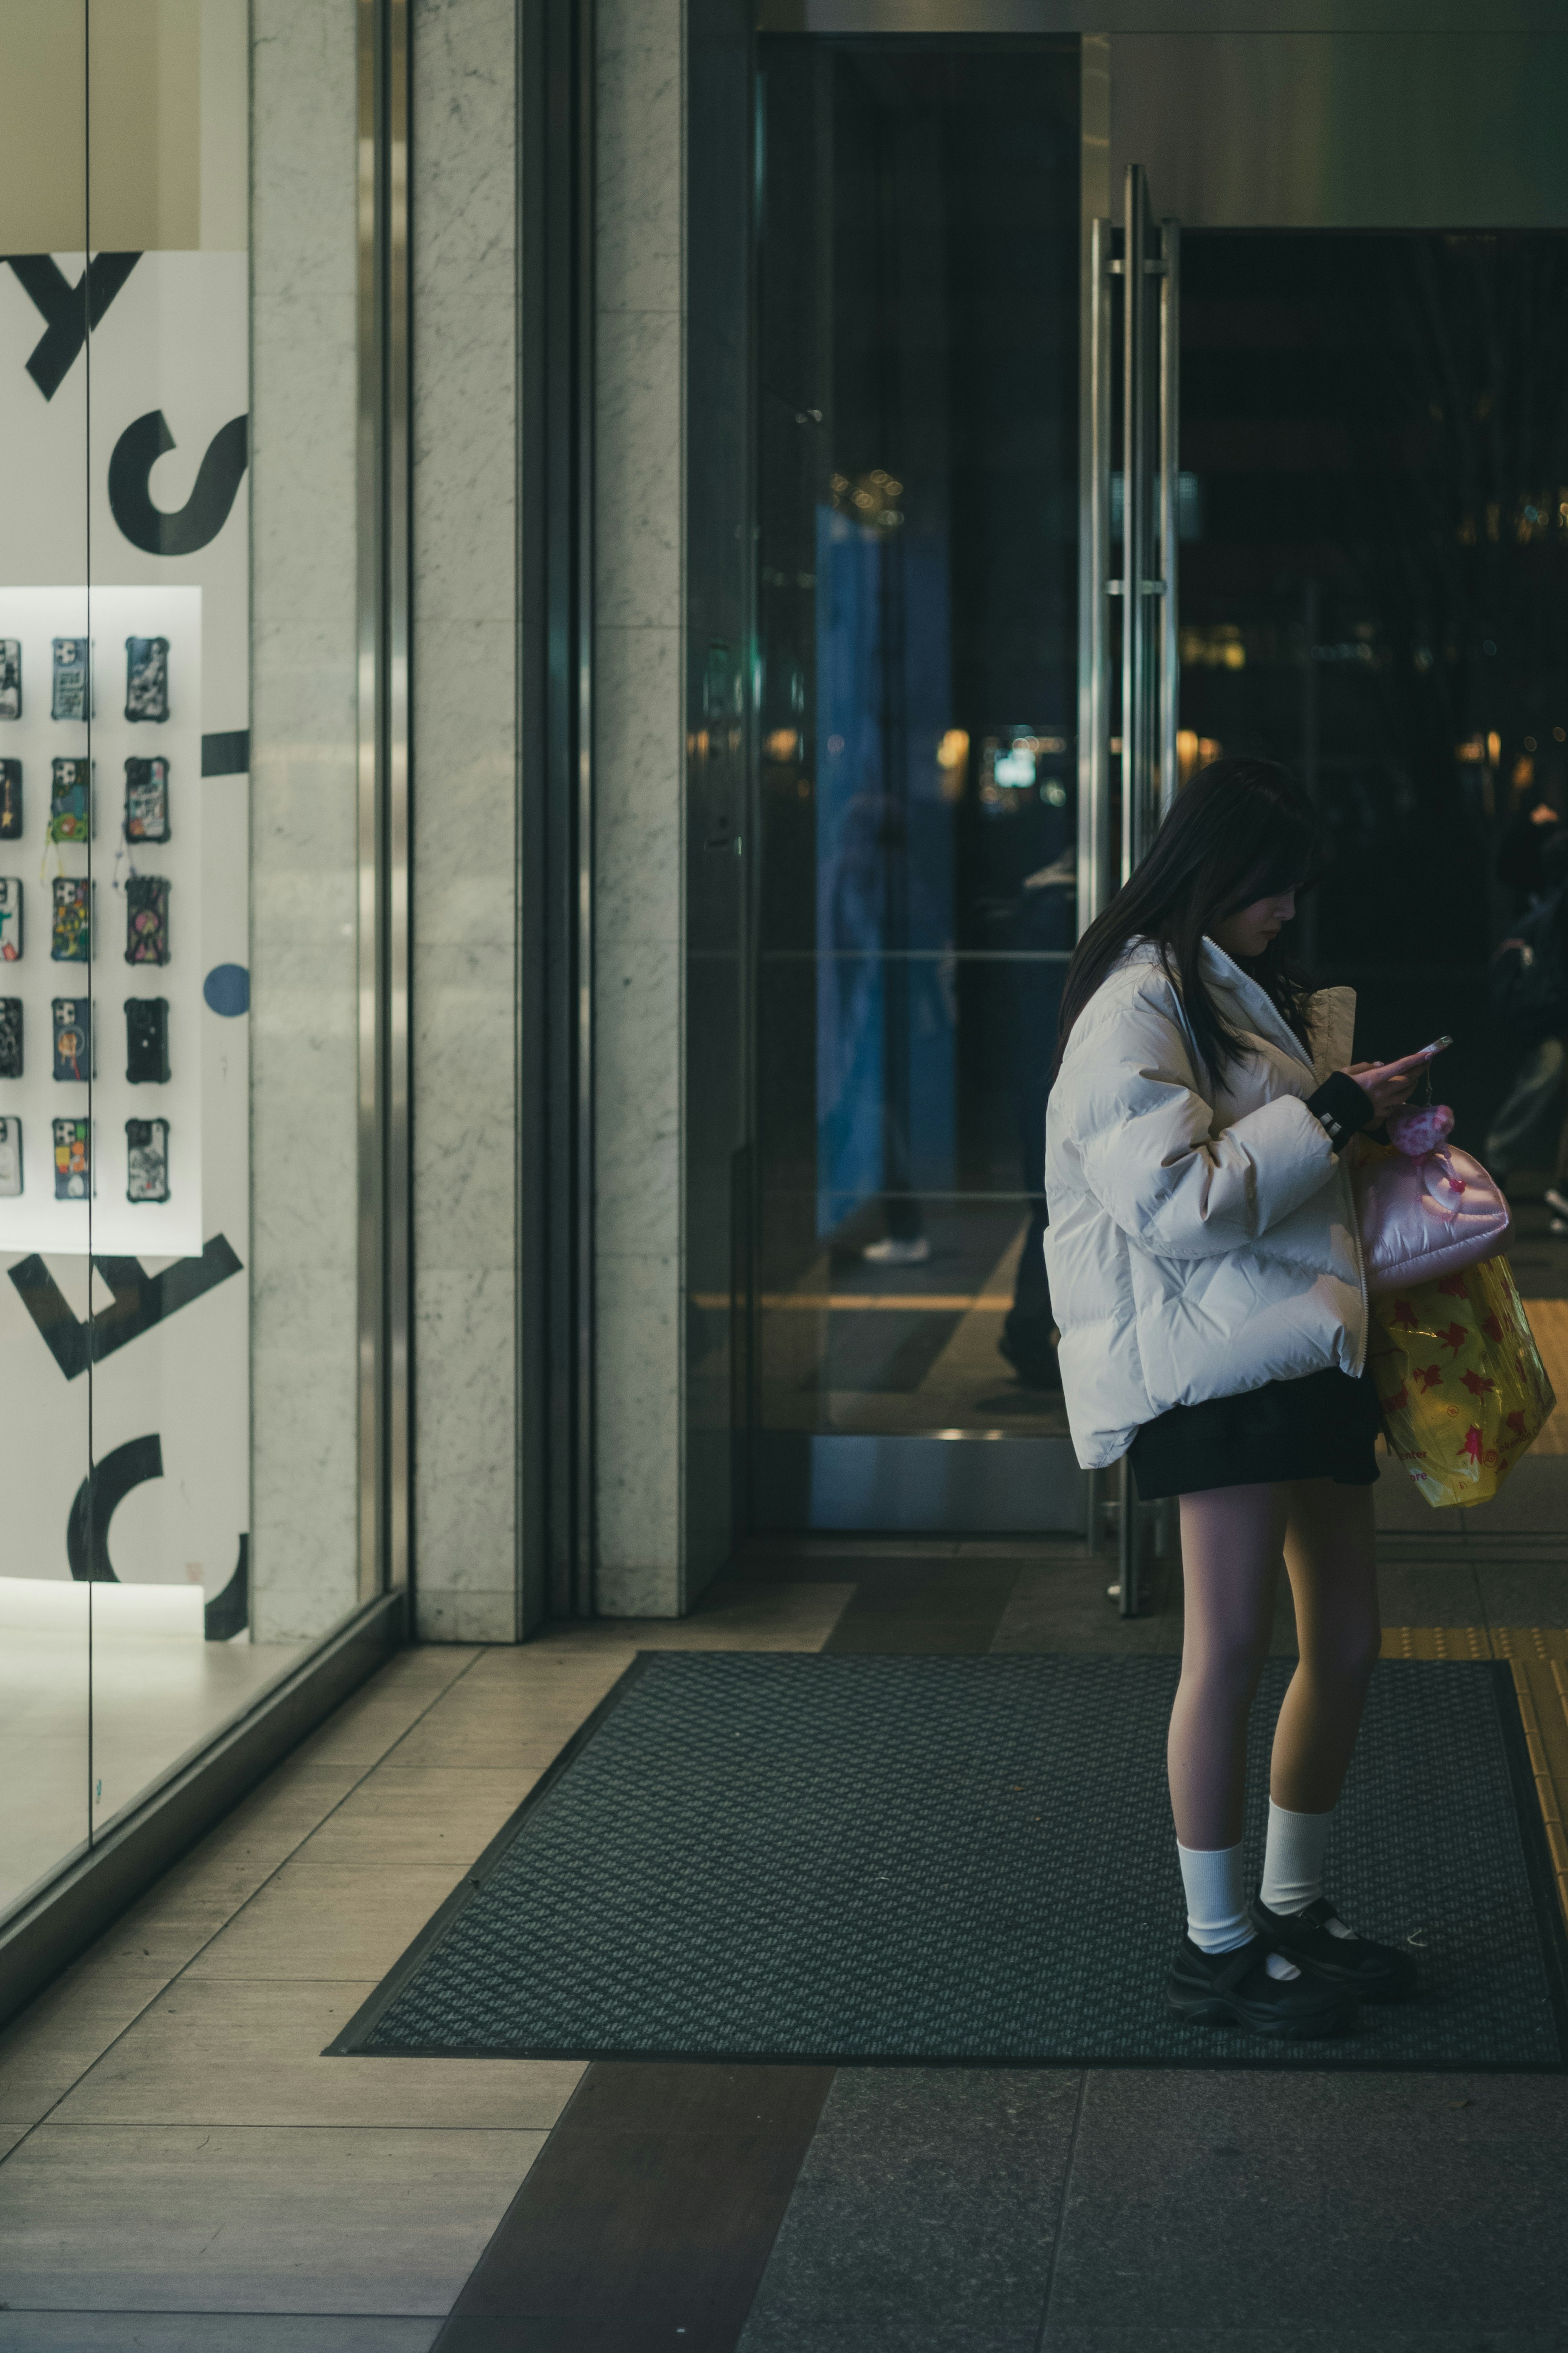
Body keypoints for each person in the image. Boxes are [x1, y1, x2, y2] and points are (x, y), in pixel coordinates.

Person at [1045, 757, 1427, 2038]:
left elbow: (1263, 1153)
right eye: (1278, 885)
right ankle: (1217, 1943)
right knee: (1230, 1648)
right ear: (1222, 869)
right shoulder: (1136, 1005)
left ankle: (1294, 1909)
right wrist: (1329, 1112)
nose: (1290, 908)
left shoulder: (1223, 985)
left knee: (1351, 1640)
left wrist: (1355, 1112)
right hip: (1214, 1369)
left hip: (1299, 1346)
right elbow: (1177, 1203)